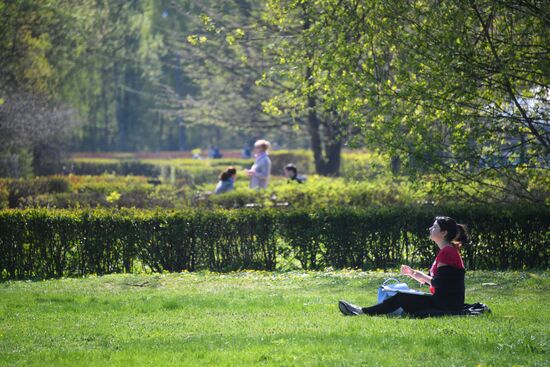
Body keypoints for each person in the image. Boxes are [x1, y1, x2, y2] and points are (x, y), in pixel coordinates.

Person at [339, 216, 467, 317]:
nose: (430, 228)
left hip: (447, 304)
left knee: (401, 297)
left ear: (444, 233)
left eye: (434, 227)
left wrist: (422, 276)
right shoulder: (446, 251)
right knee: (403, 296)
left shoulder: (447, 252)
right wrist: (412, 273)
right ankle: (363, 311)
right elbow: (437, 282)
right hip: (444, 301)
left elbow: (439, 284)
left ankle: (362, 311)